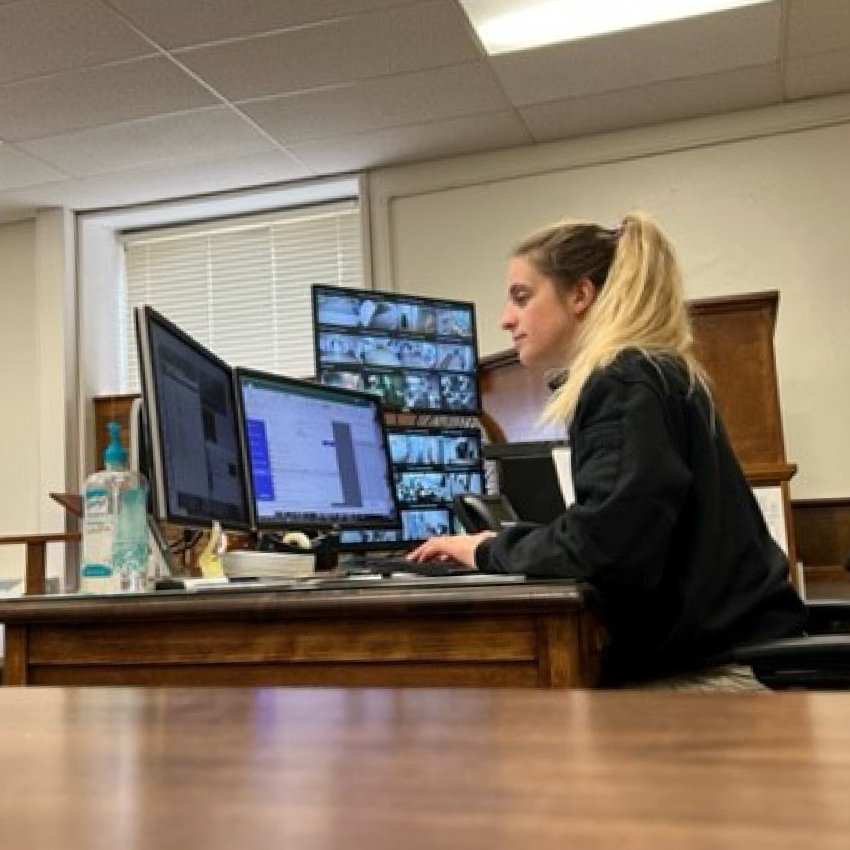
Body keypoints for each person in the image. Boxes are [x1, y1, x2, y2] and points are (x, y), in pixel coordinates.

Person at [408, 212, 805, 691]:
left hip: (714, 676)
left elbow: (604, 550)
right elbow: (615, 528)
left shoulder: (621, 381)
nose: (505, 319)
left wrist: (487, 549)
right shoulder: (653, 371)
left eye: (522, 296)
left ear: (580, 294)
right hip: (737, 655)